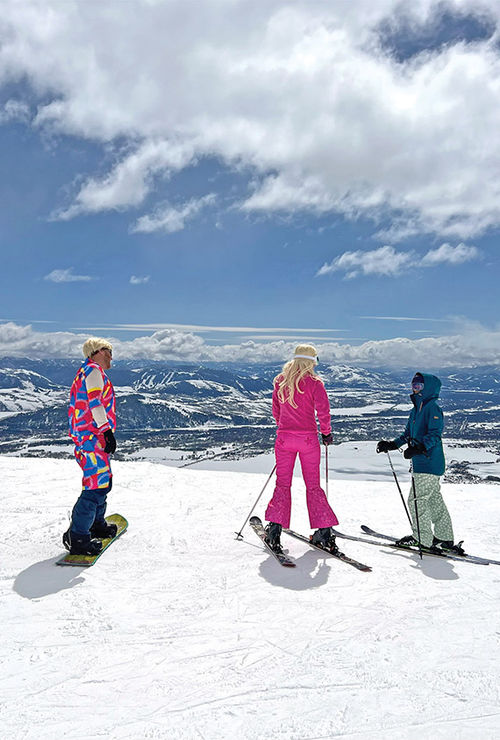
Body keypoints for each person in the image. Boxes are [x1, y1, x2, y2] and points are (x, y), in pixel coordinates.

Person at [377, 372, 464, 555]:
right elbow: (407, 435)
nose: (415, 389)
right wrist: (392, 445)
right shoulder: (415, 410)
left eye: (420, 386)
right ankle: (444, 538)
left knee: (416, 501)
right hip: (422, 463)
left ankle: (422, 539)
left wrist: (419, 448)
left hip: (429, 463)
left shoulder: (433, 408)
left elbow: (434, 435)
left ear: (429, 388)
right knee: (433, 500)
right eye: (414, 385)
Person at [264, 344, 339, 554]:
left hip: (285, 438)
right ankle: (323, 532)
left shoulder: (280, 381)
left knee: (283, 484)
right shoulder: (315, 383)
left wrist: (284, 427)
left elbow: (276, 411)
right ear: (312, 361)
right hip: (308, 440)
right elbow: (323, 411)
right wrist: (326, 432)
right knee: (313, 486)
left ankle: (274, 530)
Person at [63, 337, 118, 555]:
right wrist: (106, 431)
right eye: (108, 351)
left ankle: (95, 525)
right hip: (92, 438)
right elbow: (95, 402)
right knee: (95, 488)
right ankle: (78, 538)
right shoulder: (93, 370)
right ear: (96, 351)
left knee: (102, 484)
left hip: (92, 438)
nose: (111, 356)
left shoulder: (86, 371)